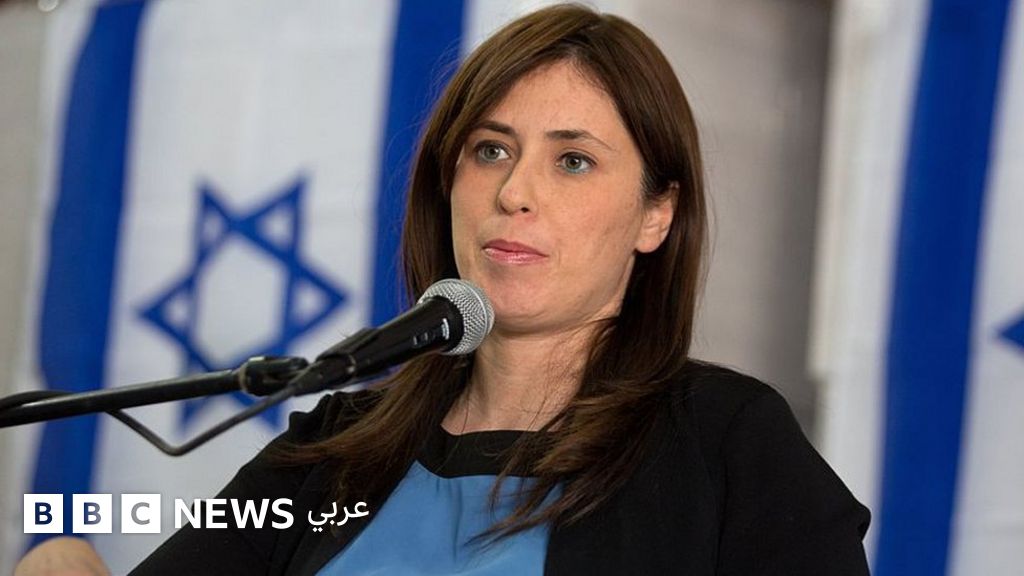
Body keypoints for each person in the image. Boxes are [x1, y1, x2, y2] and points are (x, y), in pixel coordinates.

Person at [17, 4, 870, 575]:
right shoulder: (334, 449)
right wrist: (65, 561)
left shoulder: (725, 444)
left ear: (656, 214)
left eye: (574, 161)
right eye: (490, 150)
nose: (515, 191)